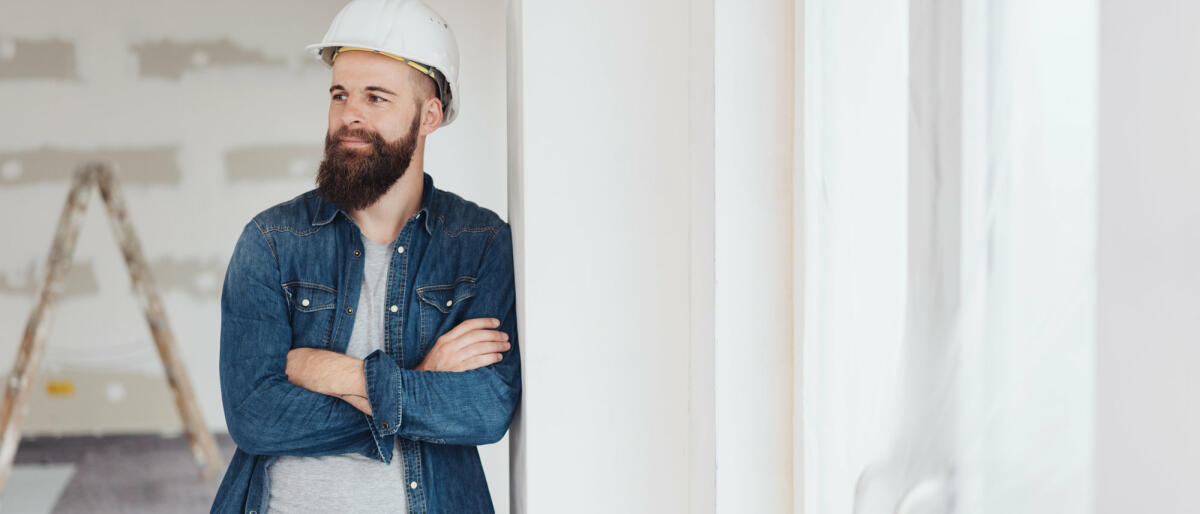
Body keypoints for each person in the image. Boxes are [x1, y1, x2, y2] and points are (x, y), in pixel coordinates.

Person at [210, 1, 520, 512]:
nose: (350, 115)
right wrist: (422, 378)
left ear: (429, 116)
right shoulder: (273, 240)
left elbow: (485, 411)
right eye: (340, 94)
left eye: (376, 97)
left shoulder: (479, 243)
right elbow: (255, 414)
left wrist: (341, 375)